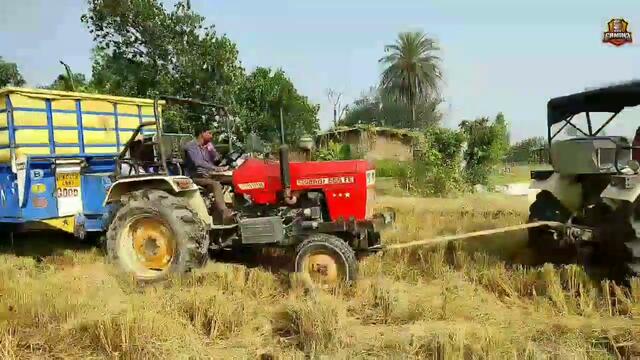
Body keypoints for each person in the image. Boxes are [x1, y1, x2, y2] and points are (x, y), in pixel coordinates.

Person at [183, 126, 234, 222]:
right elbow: (198, 162)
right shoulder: (191, 146)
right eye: (210, 133)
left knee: (234, 179)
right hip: (196, 176)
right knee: (215, 184)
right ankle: (225, 212)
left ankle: (242, 207)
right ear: (202, 133)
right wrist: (217, 169)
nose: (212, 136)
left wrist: (213, 153)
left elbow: (215, 161)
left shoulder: (207, 147)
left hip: (209, 174)